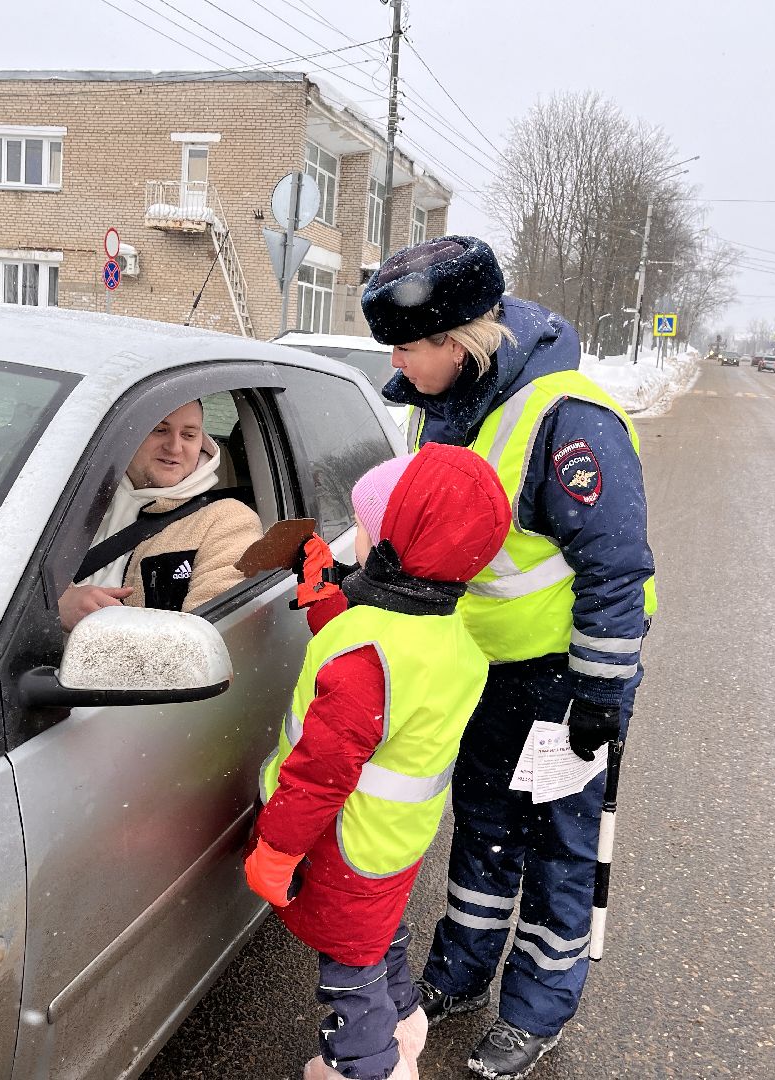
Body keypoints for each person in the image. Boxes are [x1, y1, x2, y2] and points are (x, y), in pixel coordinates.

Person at [360, 236, 656, 1079]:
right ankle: (461, 970)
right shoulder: (439, 400)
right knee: (485, 825)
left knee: (559, 841)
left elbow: (615, 569)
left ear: (459, 342)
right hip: (479, 666)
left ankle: (538, 1007)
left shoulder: (569, 421)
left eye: (406, 346)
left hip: (565, 676)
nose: (396, 362)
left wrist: (603, 691)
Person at [244, 443, 512, 1080]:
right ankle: (403, 1019)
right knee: (379, 935)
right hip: (394, 843)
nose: (350, 542)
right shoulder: (447, 635)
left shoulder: (370, 659)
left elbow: (320, 770)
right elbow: (375, 659)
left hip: (342, 842)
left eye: (362, 529)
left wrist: (276, 849)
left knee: (349, 970)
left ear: (397, 547)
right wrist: (321, 597)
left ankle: (366, 1064)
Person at [58, 399, 261, 628]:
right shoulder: (69, 499)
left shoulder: (227, 521)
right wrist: (58, 607)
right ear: (128, 435)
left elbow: (202, 641)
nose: (174, 447)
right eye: (160, 430)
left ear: (202, 443)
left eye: (189, 435)